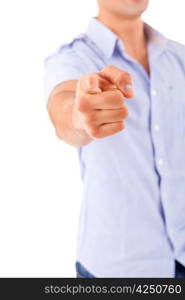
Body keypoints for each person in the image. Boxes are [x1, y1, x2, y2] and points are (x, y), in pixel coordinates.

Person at [43, 0, 185, 278]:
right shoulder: (74, 58)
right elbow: (64, 106)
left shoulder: (178, 58)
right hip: (117, 272)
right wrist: (79, 115)